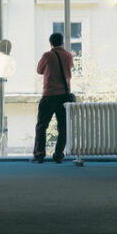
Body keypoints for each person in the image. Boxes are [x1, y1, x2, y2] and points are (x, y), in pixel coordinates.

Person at [33, 33, 73, 163]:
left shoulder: (48, 55)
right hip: (64, 96)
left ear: (51, 43)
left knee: (41, 126)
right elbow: (69, 71)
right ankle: (58, 155)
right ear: (62, 42)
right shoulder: (68, 55)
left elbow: (39, 70)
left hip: (49, 95)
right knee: (63, 127)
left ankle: (39, 155)